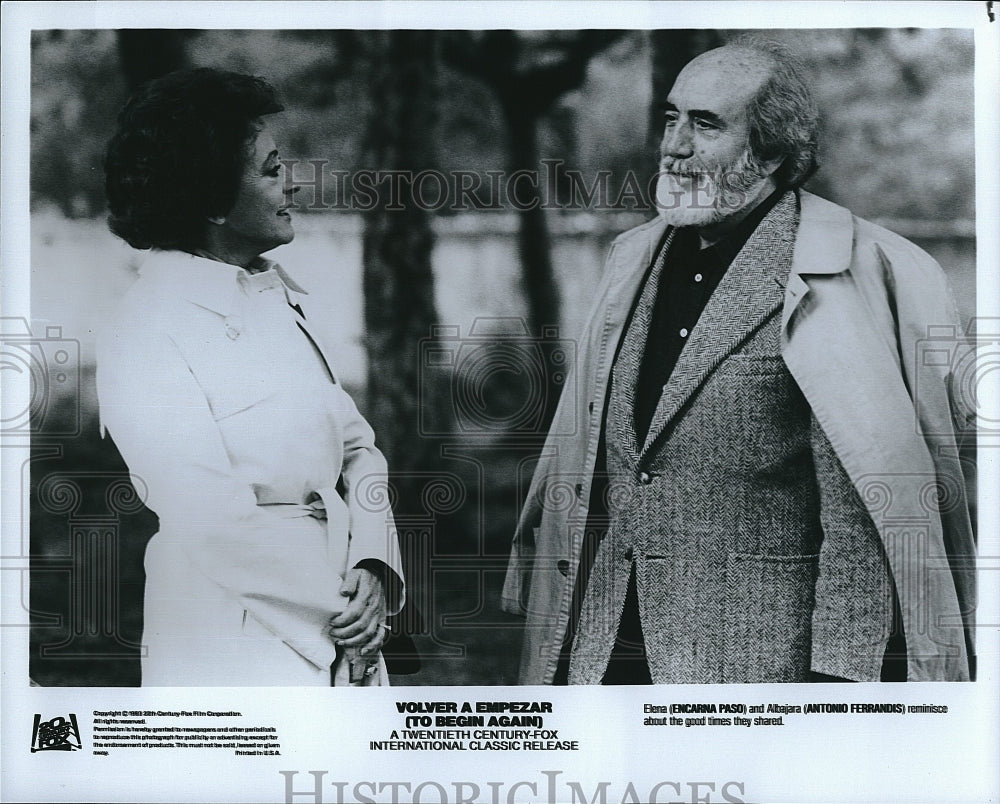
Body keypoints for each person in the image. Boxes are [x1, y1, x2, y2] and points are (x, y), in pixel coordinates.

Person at [502, 38, 975, 684]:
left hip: (755, 674)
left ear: (774, 151)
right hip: (605, 655)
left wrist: (835, 692)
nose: (673, 145)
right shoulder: (630, 259)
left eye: (705, 124)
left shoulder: (832, 279)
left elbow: (859, 522)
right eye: (671, 118)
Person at [98, 68, 403, 686]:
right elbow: (209, 517)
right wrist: (342, 616)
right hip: (232, 636)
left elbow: (360, 452)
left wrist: (373, 565)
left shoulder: (271, 297)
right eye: (270, 169)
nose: (292, 182)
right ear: (211, 197)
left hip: (344, 616)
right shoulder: (146, 325)